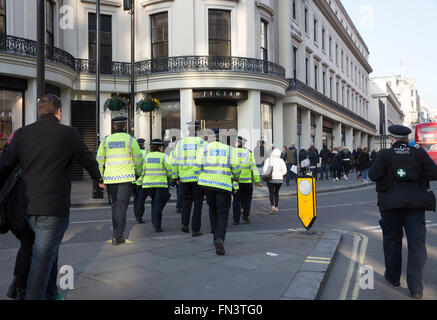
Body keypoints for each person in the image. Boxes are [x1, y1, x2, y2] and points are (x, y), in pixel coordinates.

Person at [0, 94, 102, 300]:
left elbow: (4, 166)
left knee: (47, 250)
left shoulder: (22, 134)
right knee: (42, 257)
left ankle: (49, 292)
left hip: (26, 207)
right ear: (59, 111)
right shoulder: (68, 134)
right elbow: (87, 159)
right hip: (53, 207)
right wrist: (98, 178)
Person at [369, 125, 437, 299]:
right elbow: (434, 173)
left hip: (391, 207)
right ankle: (416, 288)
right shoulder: (419, 153)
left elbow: (373, 176)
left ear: (392, 139)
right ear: (406, 139)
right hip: (415, 206)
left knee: (392, 241)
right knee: (417, 245)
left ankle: (393, 278)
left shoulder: (384, 154)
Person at [96, 116, 143, 245]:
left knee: (115, 207)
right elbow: (139, 159)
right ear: (125, 126)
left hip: (110, 179)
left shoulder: (106, 141)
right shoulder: (130, 140)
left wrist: (100, 178)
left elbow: (99, 160)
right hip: (126, 178)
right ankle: (119, 236)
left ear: (114, 126)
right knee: (122, 207)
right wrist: (138, 173)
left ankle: (115, 234)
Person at [195, 128, 241, 255]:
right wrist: (235, 178)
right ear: (221, 138)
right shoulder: (229, 150)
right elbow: (236, 168)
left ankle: (215, 236)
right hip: (224, 185)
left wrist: (201, 178)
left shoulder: (203, 149)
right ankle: (220, 238)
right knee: (222, 212)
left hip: (207, 185)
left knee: (212, 209)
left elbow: (196, 168)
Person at [0, 134, 34, 300]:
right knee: (29, 245)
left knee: (27, 245)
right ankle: (20, 286)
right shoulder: (23, 159)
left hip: (9, 211)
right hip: (19, 210)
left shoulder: (7, 158)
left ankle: (19, 283)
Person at [173, 121, 206, 237]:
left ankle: (184, 224)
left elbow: (174, 161)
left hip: (184, 178)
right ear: (198, 130)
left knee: (186, 202)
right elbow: (205, 161)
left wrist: (175, 176)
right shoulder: (202, 143)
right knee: (198, 204)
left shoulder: (180, 143)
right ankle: (195, 229)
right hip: (198, 178)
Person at [139, 139, 172, 232]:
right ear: (160, 147)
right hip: (160, 184)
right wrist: (173, 177)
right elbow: (169, 170)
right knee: (159, 203)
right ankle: (157, 226)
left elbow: (143, 171)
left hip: (147, 185)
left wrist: (139, 182)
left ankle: (155, 223)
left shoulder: (146, 156)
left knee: (155, 203)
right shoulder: (163, 156)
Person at [232, 136, 262, 225]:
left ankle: (236, 219)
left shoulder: (232, 152)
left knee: (236, 200)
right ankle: (245, 216)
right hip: (247, 182)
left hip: (236, 182)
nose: (235, 143)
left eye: (236, 142)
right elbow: (254, 168)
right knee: (247, 199)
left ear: (239, 143)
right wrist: (257, 181)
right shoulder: (248, 153)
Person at [263, 148, 287, 215]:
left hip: (270, 179)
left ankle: (272, 207)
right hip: (279, 179)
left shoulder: (269, 159)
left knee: (271, 193)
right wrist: (280, 174)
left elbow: (264, 169)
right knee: (276, 193)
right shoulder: (281, 160)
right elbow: (285, 170)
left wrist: (267, 174)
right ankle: (276, 207)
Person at [132, 138, 147, 224]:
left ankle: (136, 216)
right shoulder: (146, 153)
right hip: (142, 181)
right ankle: (139, 217)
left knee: (136, 199)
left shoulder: (132, 153)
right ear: (143, 145)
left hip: (133, 180)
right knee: (141, 200)